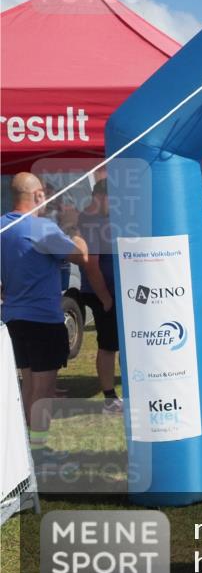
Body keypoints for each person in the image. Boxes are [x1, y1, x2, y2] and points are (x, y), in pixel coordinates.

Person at [1, 173, 94, 456]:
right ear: (38, 195)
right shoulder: (41, 228)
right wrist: (73, 226)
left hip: (14, 318)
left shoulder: (3, 225)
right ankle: (40, 450)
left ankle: (29, 450)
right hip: (42, 318)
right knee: (44, 390)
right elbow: (82, 256)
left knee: (29, 384)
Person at [77, 179, 123, 414]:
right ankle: (109, 398)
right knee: (108, 345)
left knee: (115, 343)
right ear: (100, 197)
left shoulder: (103, 220)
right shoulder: (91, 222)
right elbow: (91, 264)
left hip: (114, 292)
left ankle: (114, 395)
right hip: (103, 293)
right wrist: (105, 298)